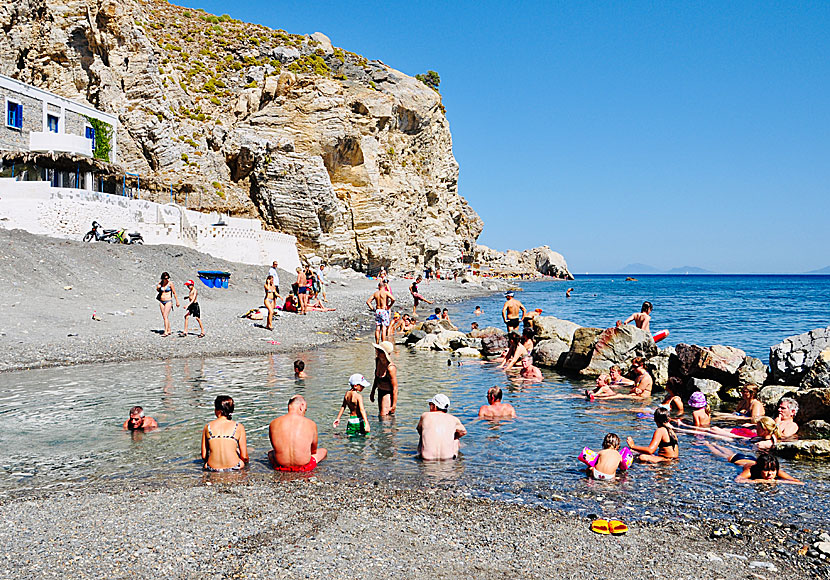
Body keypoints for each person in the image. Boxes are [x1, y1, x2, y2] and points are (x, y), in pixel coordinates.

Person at [268, 395, 327, 472]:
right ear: (302, 406)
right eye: (305, 410)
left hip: (281, 466)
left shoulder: (273, 423)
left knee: (270, 453)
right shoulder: (311, 424)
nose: (304, 413)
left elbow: (275, 448)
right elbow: (313, 451)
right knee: (323, 451)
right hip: (305, 466)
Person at [201, 395, 248, 472]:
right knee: (237, 451)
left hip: (212, 468)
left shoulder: (208, 427)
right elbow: (244, 457)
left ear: (217, 410)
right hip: (235, 467)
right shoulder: (238, 426)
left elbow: (204, 455)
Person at [417, 394, 467, 460]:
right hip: (448, 458)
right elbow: (463, 432)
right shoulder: (454, 419)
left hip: (427, 458)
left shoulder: (425, 416)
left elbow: (419, 429)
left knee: (422, 436)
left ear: (434, 406)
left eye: (430, 404)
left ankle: (420, 453)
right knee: (456, 439)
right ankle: (454, 456)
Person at [735, 452, 803, 484]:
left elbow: (799, 482)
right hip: (739, 460)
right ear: (759, 469)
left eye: (773, 470)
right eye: (766, 470)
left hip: (755, 460)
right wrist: (758, 481)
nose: (770, 473)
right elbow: (738, 480)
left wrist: (777, 481)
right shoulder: (751, 470)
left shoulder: (777, 471)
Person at [369, 341, 398, 416]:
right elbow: (376, 377)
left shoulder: (391, 368)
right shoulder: (378, 361)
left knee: (384, 416)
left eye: (379, 351)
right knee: (381, 415)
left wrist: (394, 405)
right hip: (380, 391)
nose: (377, 352)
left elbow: (395, 388)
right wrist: (372, 392)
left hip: (387, 393)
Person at [156, 272, 179, 337]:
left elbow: (174, 293)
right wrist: (158, 287)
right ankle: (168, 330)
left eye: (167, 278)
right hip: (161, 301)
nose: (166, 279)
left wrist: (177, 301)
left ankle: (165, 331)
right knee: (164, 316)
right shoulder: (161, 283)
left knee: (165, 316)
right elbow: (158, 290)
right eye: (165, 278)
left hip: (168, 301)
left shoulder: (170, 283)